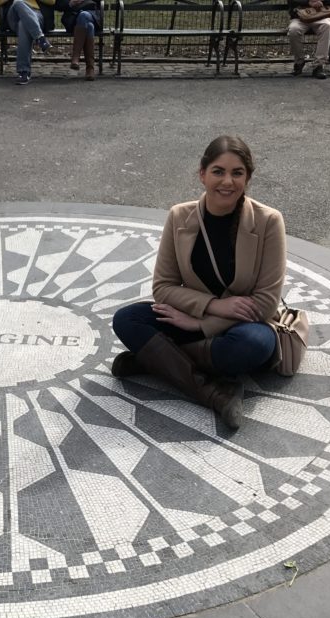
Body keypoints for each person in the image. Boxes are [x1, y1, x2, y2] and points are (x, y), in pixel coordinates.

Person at [111, 136, 287, 431]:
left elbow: (266, 303)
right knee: (126, 319)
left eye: (237, 173)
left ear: (248, 178)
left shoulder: (268, 221)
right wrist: (214, 305)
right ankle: (215, 394)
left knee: (255, 344)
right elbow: (164, 287)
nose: (227, 182)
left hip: (240, 326)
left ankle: (154, 360)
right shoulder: (180, 216)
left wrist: (201, 325)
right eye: (218, 171)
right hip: (190, 319)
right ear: (202, 174)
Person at [0, 0, 54, 84]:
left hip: (36, 14)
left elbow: (52, 1)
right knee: (18, 2)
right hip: (14, 15)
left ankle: (24, 72)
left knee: (23, 25)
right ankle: (40, 38)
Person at [287, 0, 330, 79]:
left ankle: (318, 65)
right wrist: (309, 2)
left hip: (322, 16)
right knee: (293, 30)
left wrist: (321, 1)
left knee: (327, 26)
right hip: (300, 17)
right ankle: (299, 62)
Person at [59, 0, 99, 81]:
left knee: (84, 15)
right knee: (89, 26)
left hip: (91, 14)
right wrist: (70, 3)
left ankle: (76, 57)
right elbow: (58, 4)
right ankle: (90, 68)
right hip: (72, 18)